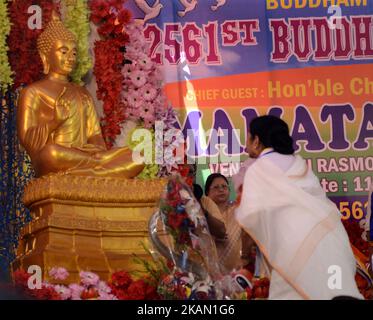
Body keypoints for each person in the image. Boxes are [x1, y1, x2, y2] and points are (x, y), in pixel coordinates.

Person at [235, 115, 363, 299]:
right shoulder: (300, 164)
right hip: (331, 241)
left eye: (248, 137)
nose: (246, 143)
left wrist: (244, 258)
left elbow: (249, 218)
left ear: (256, 140)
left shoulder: (259, 169)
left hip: (292, 253)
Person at [17, 12, 144, 178]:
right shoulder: (33, 92)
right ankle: (96, 170)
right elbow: (27, 139)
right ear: (45, 56)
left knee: (138, 158)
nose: (70, 57)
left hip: (86, 156)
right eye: (63, 52)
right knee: (51, 153)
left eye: (74, 53)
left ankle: (89, 171)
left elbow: (95, 135)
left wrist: (98, 150)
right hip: (57, 157)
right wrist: (55, 121)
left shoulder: (82, 93)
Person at [201, 173, 254, 273]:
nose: (221, 190)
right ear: (207, 192)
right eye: (216, 187)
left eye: (224, 186)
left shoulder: (238, 211)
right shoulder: (202, 212)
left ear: (229, 191)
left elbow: (249, 234)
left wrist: (245, 258)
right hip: (208, 272)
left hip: (233, 273)